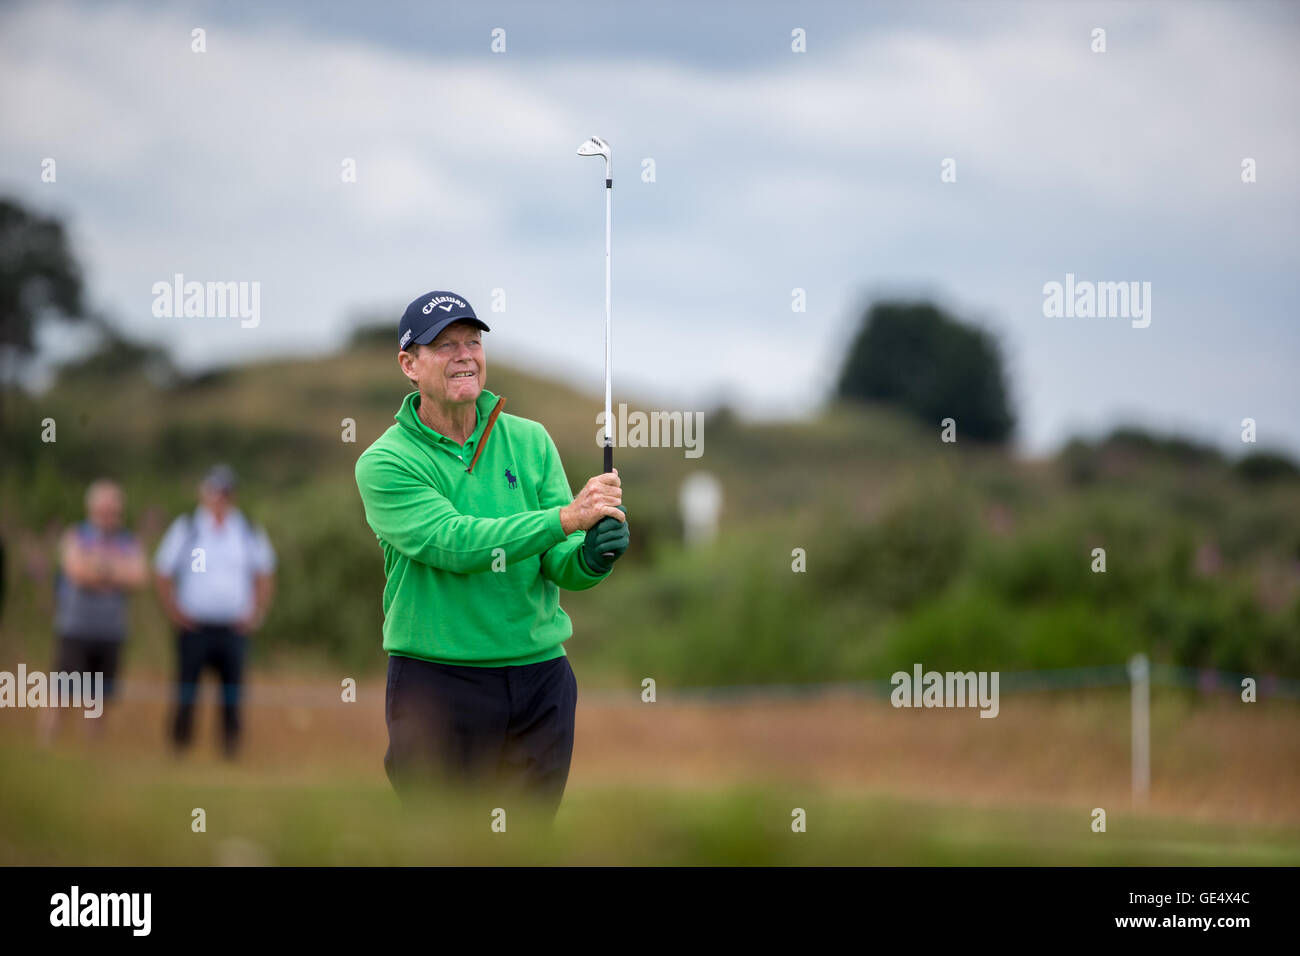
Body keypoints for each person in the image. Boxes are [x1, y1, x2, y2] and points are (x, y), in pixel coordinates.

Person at [354, 290, 629, 819]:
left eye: (472, 341)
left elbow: (556, 559)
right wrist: (567, 519)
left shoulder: (530, 440)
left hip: (540, 679)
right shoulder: (385, 462)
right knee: (443, 846)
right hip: (437, 683)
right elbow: (453, 542)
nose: (464, 354)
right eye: (445, 345)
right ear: (409, 364)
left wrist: (591, 555)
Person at [153, 464, 276, 758]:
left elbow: (265, 573)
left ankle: (230, 751)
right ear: (204, 493)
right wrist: (175, 613)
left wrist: (256, 613)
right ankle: (179, 748)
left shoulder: (246, 529)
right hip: (194, 627)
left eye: (225, 492)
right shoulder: (187, 527)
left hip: (234, 628)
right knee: (186, 690)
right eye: (215, 492)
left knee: (232, 694)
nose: (220, 498)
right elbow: (162, 571)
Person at [38, 479, 147, 743]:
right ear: (92, 509)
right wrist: (115, 571)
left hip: (110, 632)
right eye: (104, 509)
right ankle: (47, 746)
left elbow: (139, 577)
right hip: (75, 629)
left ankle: (91, 754)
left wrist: (98, 569)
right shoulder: (76, 535)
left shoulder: (128, 540)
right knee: (62, 694)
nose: (110, 515)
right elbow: (77, 572)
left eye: (114, 509)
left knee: (98, 701)